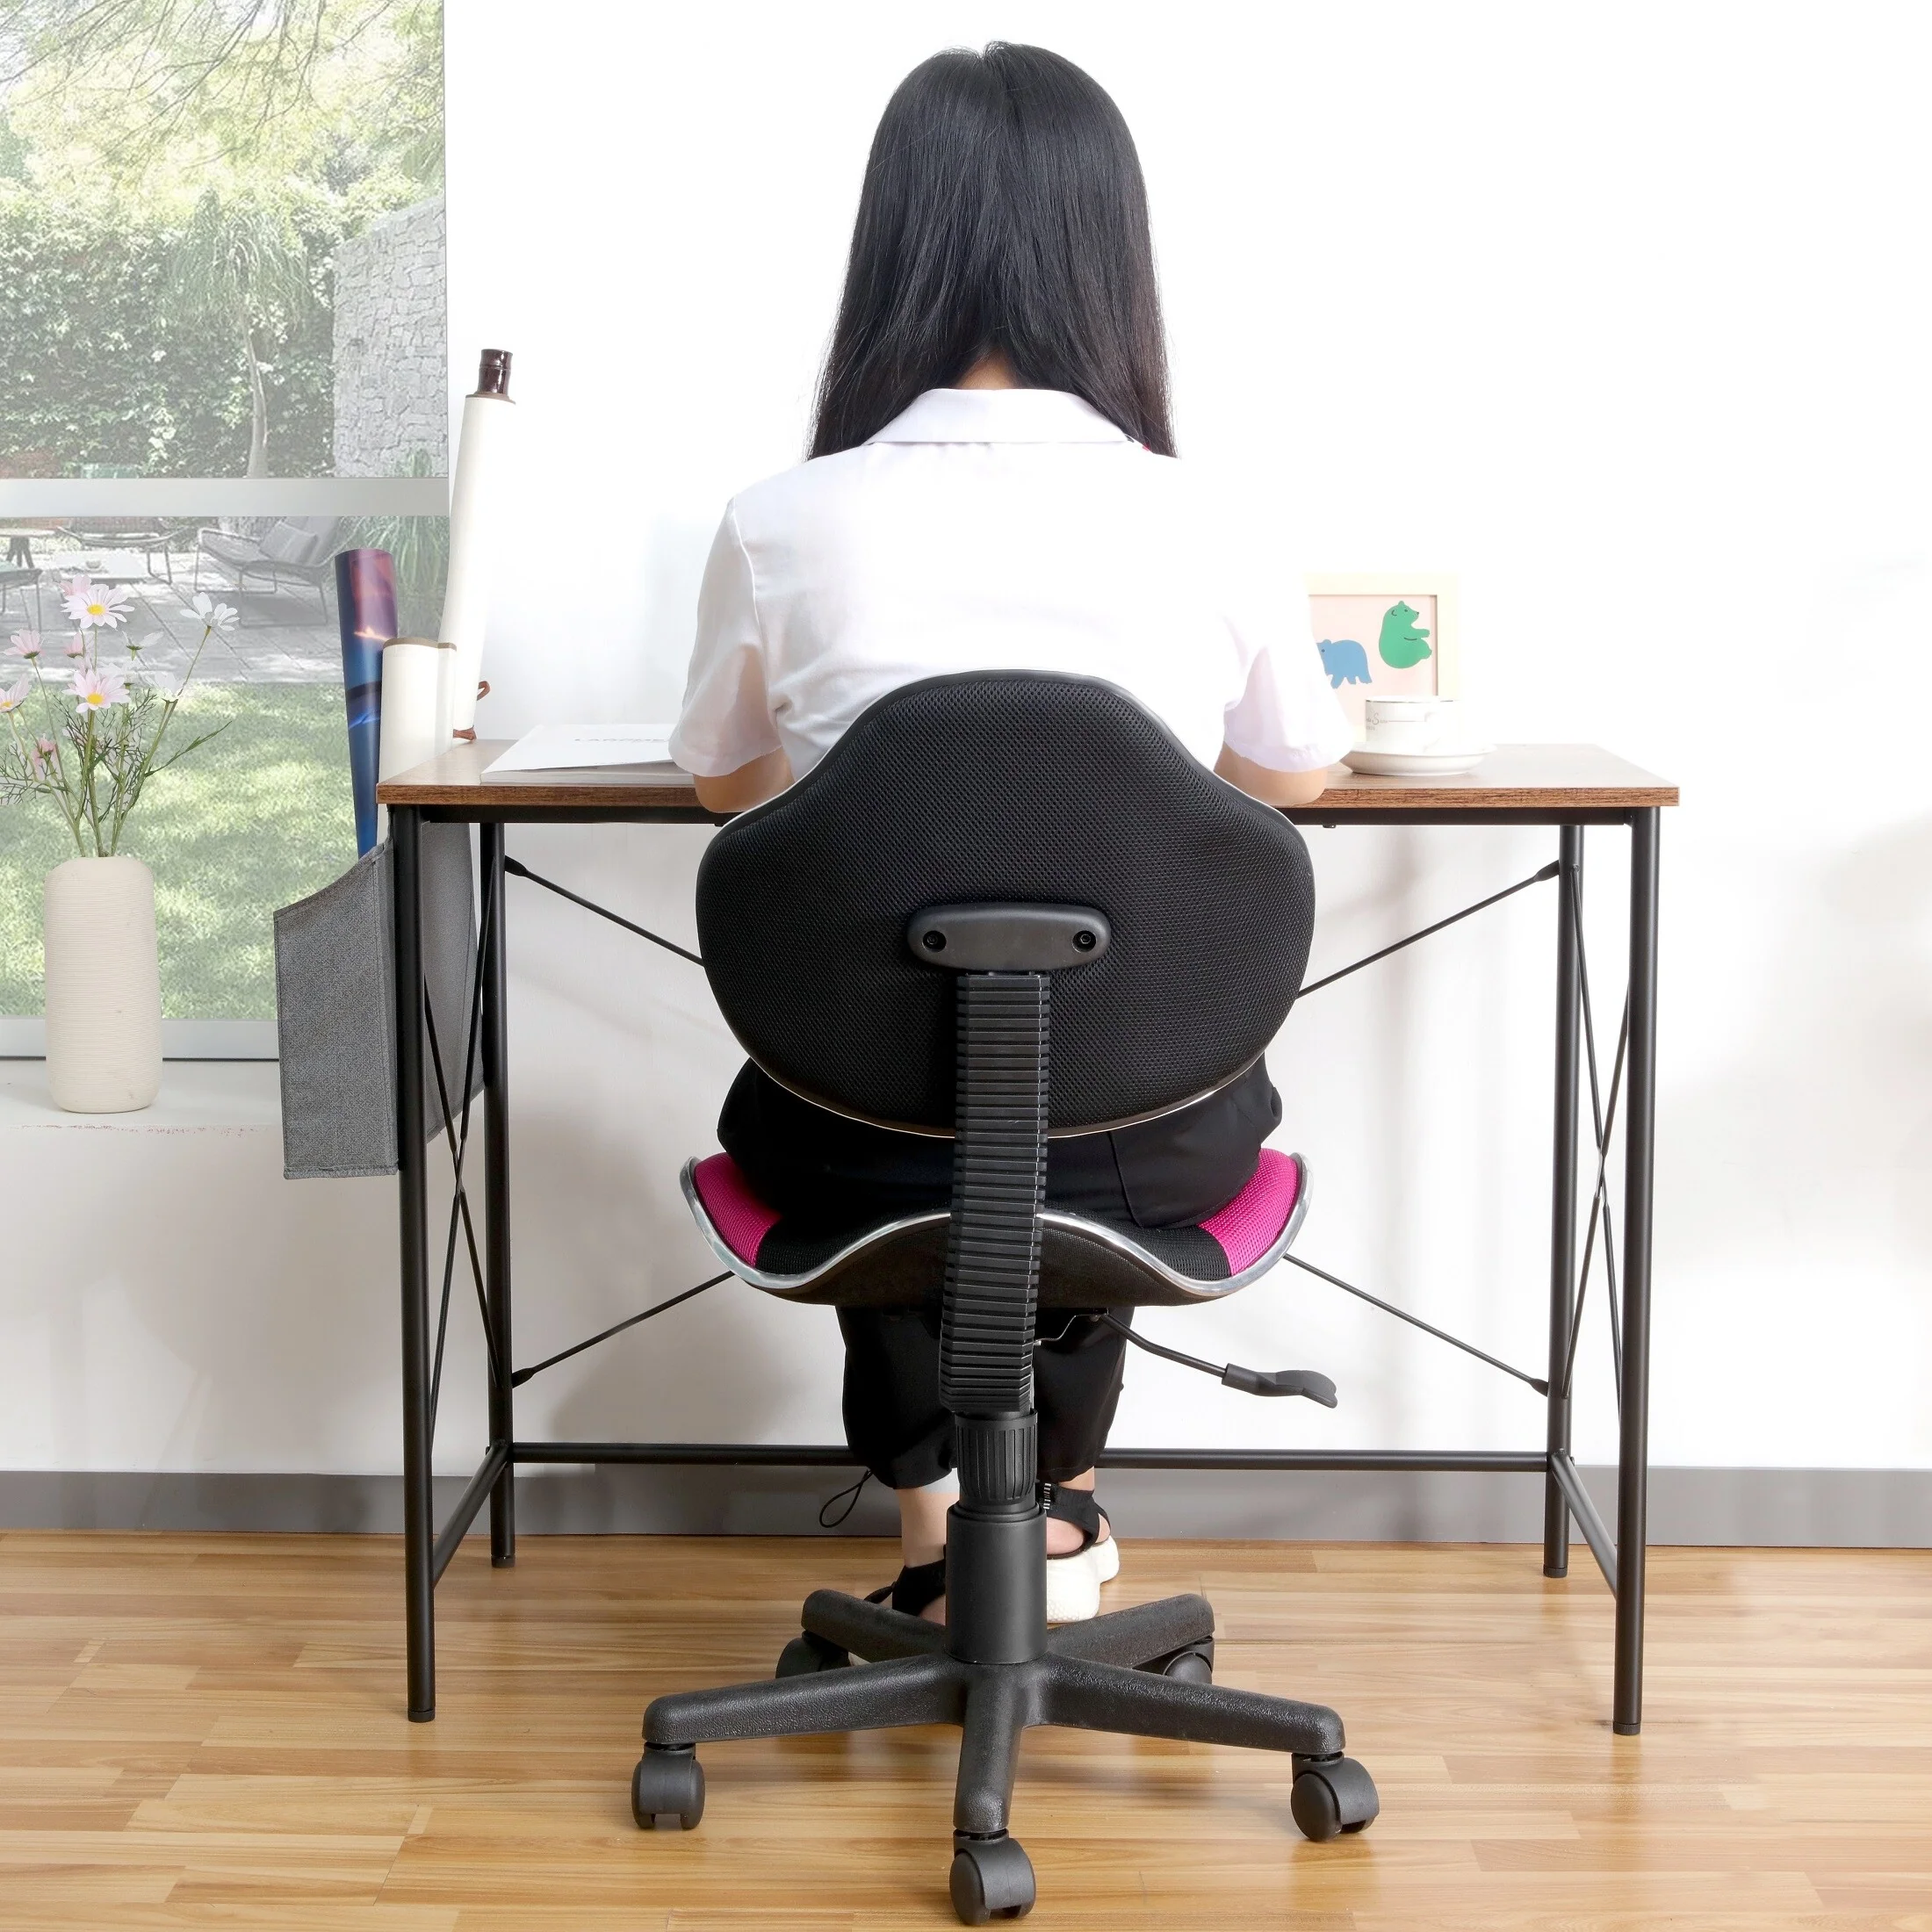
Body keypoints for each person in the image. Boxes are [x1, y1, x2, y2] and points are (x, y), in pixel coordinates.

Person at [670, 42, 1351, 1626]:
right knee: (1107, 1058)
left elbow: (719, 786)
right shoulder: (1211, 516)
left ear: (892, 246)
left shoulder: (782, 519)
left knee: (875, 1070)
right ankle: (1057, 1506)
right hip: (1151, 1137)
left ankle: (939, 1537)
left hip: (852, 1133)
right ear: (1110, 256)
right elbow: (1298, 780)